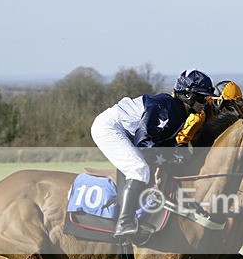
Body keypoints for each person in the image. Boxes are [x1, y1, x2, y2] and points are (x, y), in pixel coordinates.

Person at [91, 69, 218, 239]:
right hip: (109, 127)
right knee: (138, 168)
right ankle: (125, 223)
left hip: (124, 130)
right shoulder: (168, 107)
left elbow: (163, 143)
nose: (205, 103)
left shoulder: (179, 111)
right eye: (202, 98)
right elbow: (143, 142)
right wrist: (169, 158)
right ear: (188, 95)